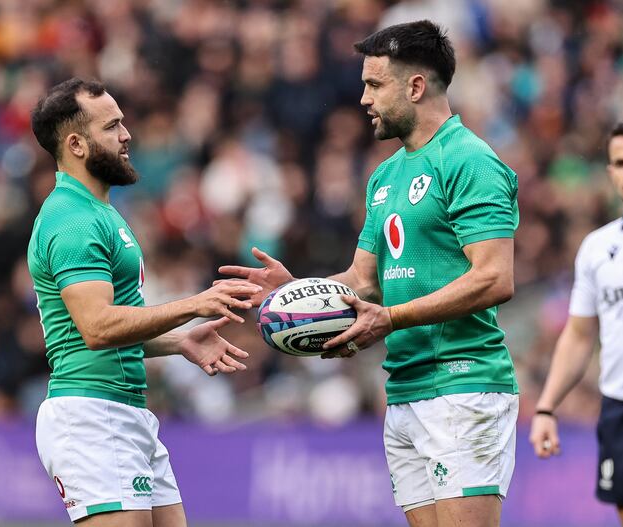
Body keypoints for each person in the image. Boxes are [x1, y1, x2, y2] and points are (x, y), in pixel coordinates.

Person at [221, 20, 518, 527]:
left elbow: (495, 278)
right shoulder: (385, 175)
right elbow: (364, 280)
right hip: (404, 389)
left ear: (416, 86)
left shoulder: (470, 160)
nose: (363, 98)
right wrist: (297, 293)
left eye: (374, 84)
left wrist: (392, 318)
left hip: (462, 384)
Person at [27, 78, 260, 527]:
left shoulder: (100, 212)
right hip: (92, 414)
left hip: (126, 410)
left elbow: (98, 330)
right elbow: (96, 328)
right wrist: (194, 304)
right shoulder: (72, 220)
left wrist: (178, 343)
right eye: (112, 126)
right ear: (76, 144)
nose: (126, 134)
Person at [530, 117, 623, 527]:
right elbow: (578, 335)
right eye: (622, 163)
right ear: (611, 172)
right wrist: (546, 407)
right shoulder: (596, 247)